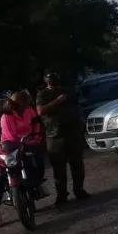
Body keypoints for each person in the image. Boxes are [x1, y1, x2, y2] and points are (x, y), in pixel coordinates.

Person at [0, 90, 44, 229]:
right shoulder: (6, 116)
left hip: (27, 143)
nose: (27, 106)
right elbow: (11, 135)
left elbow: (35, 124)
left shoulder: (29, 110)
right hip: (10, 147)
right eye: (25, 103)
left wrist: (36, 138)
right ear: (19, 103)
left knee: (38, 162)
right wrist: (22, 142)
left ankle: (35, 187)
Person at [36, 72, 89, 207]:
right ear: (45, 80)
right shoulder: (42, 94)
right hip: (54, 135)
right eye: (49, 77)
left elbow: (77, 107)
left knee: (77, 164)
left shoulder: (67, 91)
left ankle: (79, 190)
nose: (52, 79)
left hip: (71, 132)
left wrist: (80, 125)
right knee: (58, 169)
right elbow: (41, 111)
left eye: (54, 77)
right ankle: (62, 195)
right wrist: (57, 101)